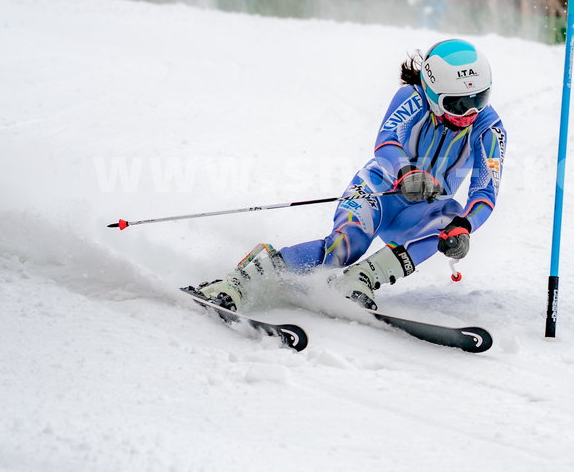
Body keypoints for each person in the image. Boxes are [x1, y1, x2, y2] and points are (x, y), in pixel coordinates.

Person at [194, 38, 506, 312]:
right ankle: (242, 280)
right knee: (346, 247)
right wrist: (405, 172)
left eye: (479, 99)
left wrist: (465, 227)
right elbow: (387, 143)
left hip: (421, 213)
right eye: (458, 103)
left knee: (452, 217)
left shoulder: (488, 129)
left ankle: (361, 280)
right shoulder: (412, 98)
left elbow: (485, 192)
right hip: (377, 193)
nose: (469, 113)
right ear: (433, 92)